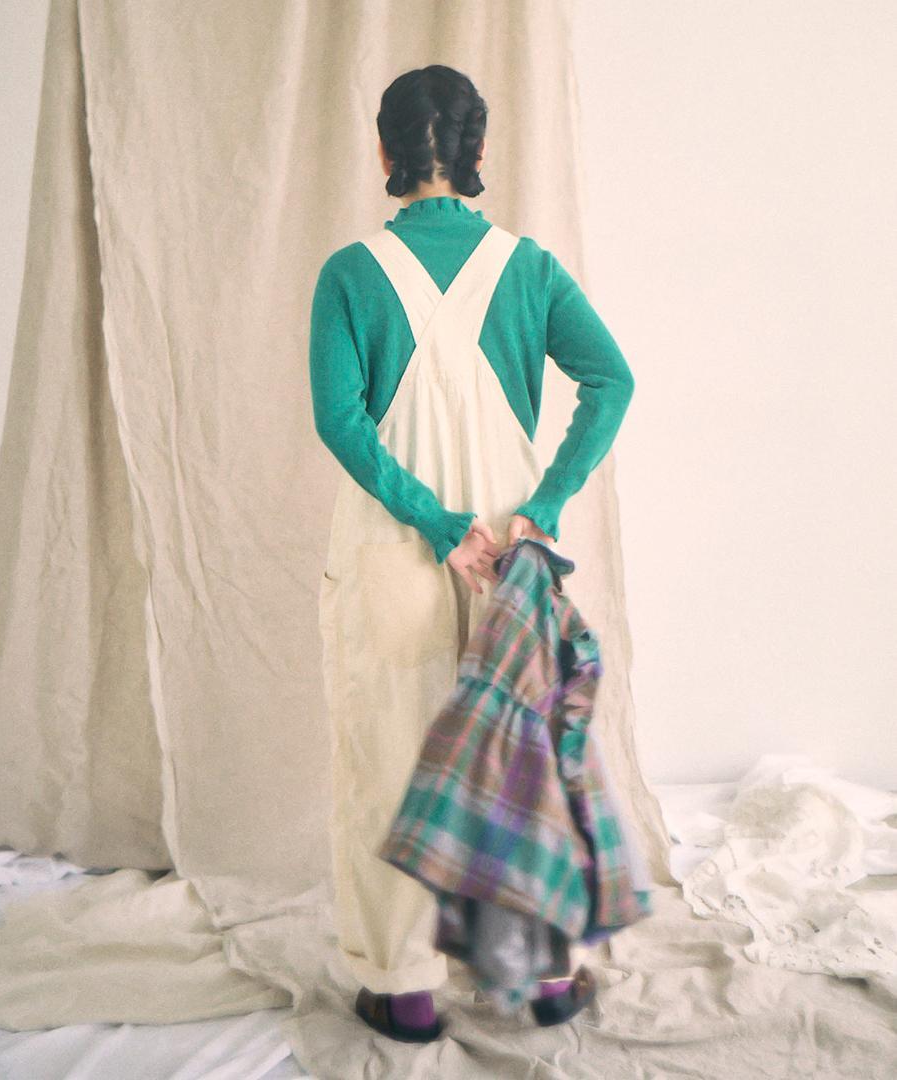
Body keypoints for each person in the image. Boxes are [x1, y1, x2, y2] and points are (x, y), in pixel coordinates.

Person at [309, 64, 635, 1042]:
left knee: (393, 759)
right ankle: (539, 979)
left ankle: (405, 986)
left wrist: (437, 523)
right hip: (512, 555)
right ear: (478, 151)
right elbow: (610, 381)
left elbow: (341, 420)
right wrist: (544, 503)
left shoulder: (349, 274)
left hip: (394, 551)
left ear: (385, 150)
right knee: (519, 760)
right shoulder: (529, 269)